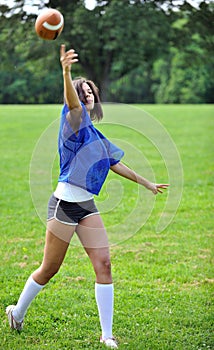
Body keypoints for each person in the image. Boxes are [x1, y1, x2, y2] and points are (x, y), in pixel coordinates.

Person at [6, 45, 169, 349]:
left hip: (86, 206)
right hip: (65, 204)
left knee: (104, 264)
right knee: (49, 269)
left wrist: (147, 183)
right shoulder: (74, 121)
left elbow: (114, 162)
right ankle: (17, 312)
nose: (86, 93)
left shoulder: (94, 131)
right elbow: (72, 103)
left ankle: (106, 334)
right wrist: (67, 73)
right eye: (81, 91)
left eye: (89, 89)